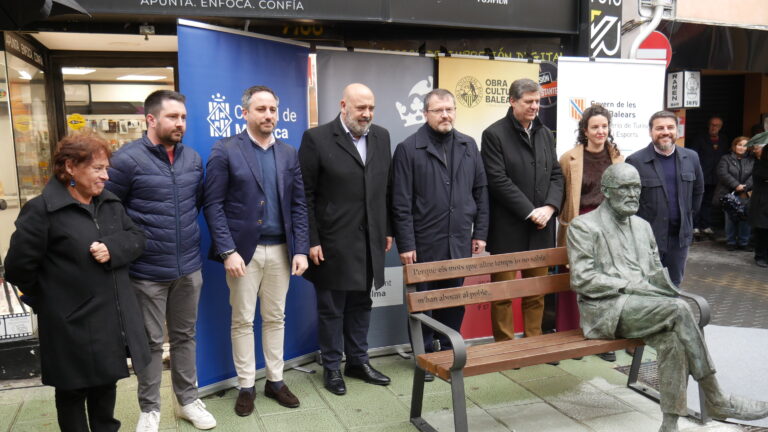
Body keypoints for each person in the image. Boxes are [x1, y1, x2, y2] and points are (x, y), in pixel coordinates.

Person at [567, 162, 768, 432]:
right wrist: (633, 285)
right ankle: (716, 397)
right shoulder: (584, 226)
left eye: (636, 188)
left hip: (644, 306)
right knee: (678, 310)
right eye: (625, 188)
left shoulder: (642, 226)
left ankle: (670, 424)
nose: (632, 194)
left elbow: (653, 272)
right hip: (606, 310)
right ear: (606, 190)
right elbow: (582, 279)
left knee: (673, 339)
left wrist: (663, 287)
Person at [4, 131, 151, 432]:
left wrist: (112, 248)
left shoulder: (109, 203)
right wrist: (51, 301)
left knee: (105, 389)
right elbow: (17, 269)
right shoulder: (42, 210)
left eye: (106, 168)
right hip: (68, 325)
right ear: (70, 167)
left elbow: (137, 238)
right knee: (72, 394)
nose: (106, 176)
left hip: (108, 321)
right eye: (98, 168)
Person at [106, 90, 215, 431]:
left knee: (185, 337)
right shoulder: (126, 160)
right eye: (172, 117)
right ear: (151, 119)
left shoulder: (192, 159)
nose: (180, 123)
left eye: (183, 117)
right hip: (146, 271)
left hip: (188, 268)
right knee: (151, 343)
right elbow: (110, 211)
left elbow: (195, 204)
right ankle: (150, 409)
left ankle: (187, 402)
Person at [203, 85, 309, 415]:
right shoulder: (225, 150)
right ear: (245, 112)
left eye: (272, 109)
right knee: (242, 321)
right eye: (261, 109)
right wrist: (227, 251)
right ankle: (246, 385)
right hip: (242, 254)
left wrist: (300, 250)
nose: (268, 115)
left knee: (276, 318)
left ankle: (275, 381)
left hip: (281, 251)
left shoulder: (289, 153)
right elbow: (213, 205)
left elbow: (299, 205)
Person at [299, 83, 392, 396]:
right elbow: (304, 195)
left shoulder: (381, 136)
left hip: (369, 242)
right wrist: (311, 239)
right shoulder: (316, 139)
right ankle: (331, 367)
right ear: (343, 106)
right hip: (331, 243)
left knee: (362, 304)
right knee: (331, 309)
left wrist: (387, 228)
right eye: (360, 108)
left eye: (371, 108)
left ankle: (358, 362)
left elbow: (385, 188)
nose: (366, 114)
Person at [391, 88, 489, 379]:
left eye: (450, 109)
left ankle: (448, 352)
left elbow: (481, 192)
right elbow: (400, 202)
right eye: (438, 110)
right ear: (425, 114)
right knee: (422, 303)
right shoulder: (408, 149)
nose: (445, 115)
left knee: (453, 301)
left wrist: (480, 232)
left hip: (458, 240)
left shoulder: (469, 145)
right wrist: (406, 244)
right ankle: (424, 357)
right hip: (423, 243)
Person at [481, 77, 564, 344]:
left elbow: (556, 175)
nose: (534, 107)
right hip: (508, 230)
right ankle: (505, 347)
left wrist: (550, 207)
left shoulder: (545, 133)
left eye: (537, 101)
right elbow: (497, 180)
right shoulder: (494, 134)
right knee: (502, 294)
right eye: (528, 101)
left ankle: (534, 344)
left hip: (542, 228)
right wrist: (531, 212)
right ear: (512, 101)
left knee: (536, 292)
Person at [557, 104, 623, 362]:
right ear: (585, 130)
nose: (600, 131)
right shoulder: (569, 158)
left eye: (604, 126)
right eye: (595, 127)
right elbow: (562, 197)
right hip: (579, 225)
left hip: (609, 227)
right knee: (575, 281)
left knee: (607, 283)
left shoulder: (617, 158)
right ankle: (572, 337)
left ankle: (603, 338)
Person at [626, 111, 704, 286]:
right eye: (660, 128)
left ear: (677, 130)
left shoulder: (691, 157)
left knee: (673, 285)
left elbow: (698, 191)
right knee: (647, 287)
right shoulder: (635, 161)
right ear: (650, 132)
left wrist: (687, 216)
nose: (665, 132)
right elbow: (629, 202)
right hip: (647, 239)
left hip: (679, 239)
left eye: (670, 127)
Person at [689, 115, 728, 239]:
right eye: (712, 124)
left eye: (717, 125)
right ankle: (694, 225)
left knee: (708, 202)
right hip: (700, 175)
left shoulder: (724, 139)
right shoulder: (700, 138)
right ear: (708, 125)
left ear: (721, 127)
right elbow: (693, 156)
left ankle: (706, 225)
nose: (713, 127)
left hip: (715, 177)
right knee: (697, 201)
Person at [713, 136, 754, 251]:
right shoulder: (726, 159)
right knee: (730, 218)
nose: (742, 148)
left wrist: (745, 186)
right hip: (729, 193)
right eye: (739, 145)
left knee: (745, 218)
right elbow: (722, 173)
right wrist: (736, 185)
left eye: (745, 146)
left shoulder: (752, 160)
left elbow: (754, 175)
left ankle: (743, 242)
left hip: (746, 193)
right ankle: (730, 241)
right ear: (734, 146)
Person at [749, 143, 768, 267]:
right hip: (762, 203)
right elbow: (763, 177)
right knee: (762, 231)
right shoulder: (760, 164)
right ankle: (760, 256)